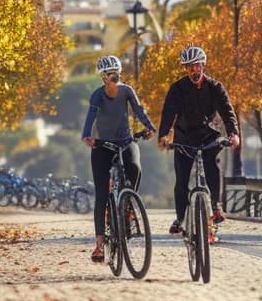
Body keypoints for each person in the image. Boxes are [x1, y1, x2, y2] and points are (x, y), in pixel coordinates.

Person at [156, 45, 240, 236]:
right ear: (185, 69)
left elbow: (227, 111)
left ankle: (215, 207)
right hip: (184, 137)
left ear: (203, 65)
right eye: (190, 67)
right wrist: (163, 135)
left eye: (197, 66)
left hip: (209, 135)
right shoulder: (177, 89)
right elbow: (169, 113)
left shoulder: (215, 87)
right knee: (181, 180)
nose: (194, 70)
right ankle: (180, 217)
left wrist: (233, 133)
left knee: (212, 166)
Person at [81, 55, 155, 263]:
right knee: (102, 194)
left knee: (135, 167)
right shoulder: (97, 95)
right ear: (103, 77)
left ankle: (129, 204)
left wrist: (149, 126)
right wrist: (87, 135)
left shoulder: (127, 91)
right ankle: (98, 245)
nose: (114, 76)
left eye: (116, 72)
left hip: (125, 141)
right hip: (102, 146)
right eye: (109, 73)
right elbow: (90, 116)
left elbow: (139, 110)